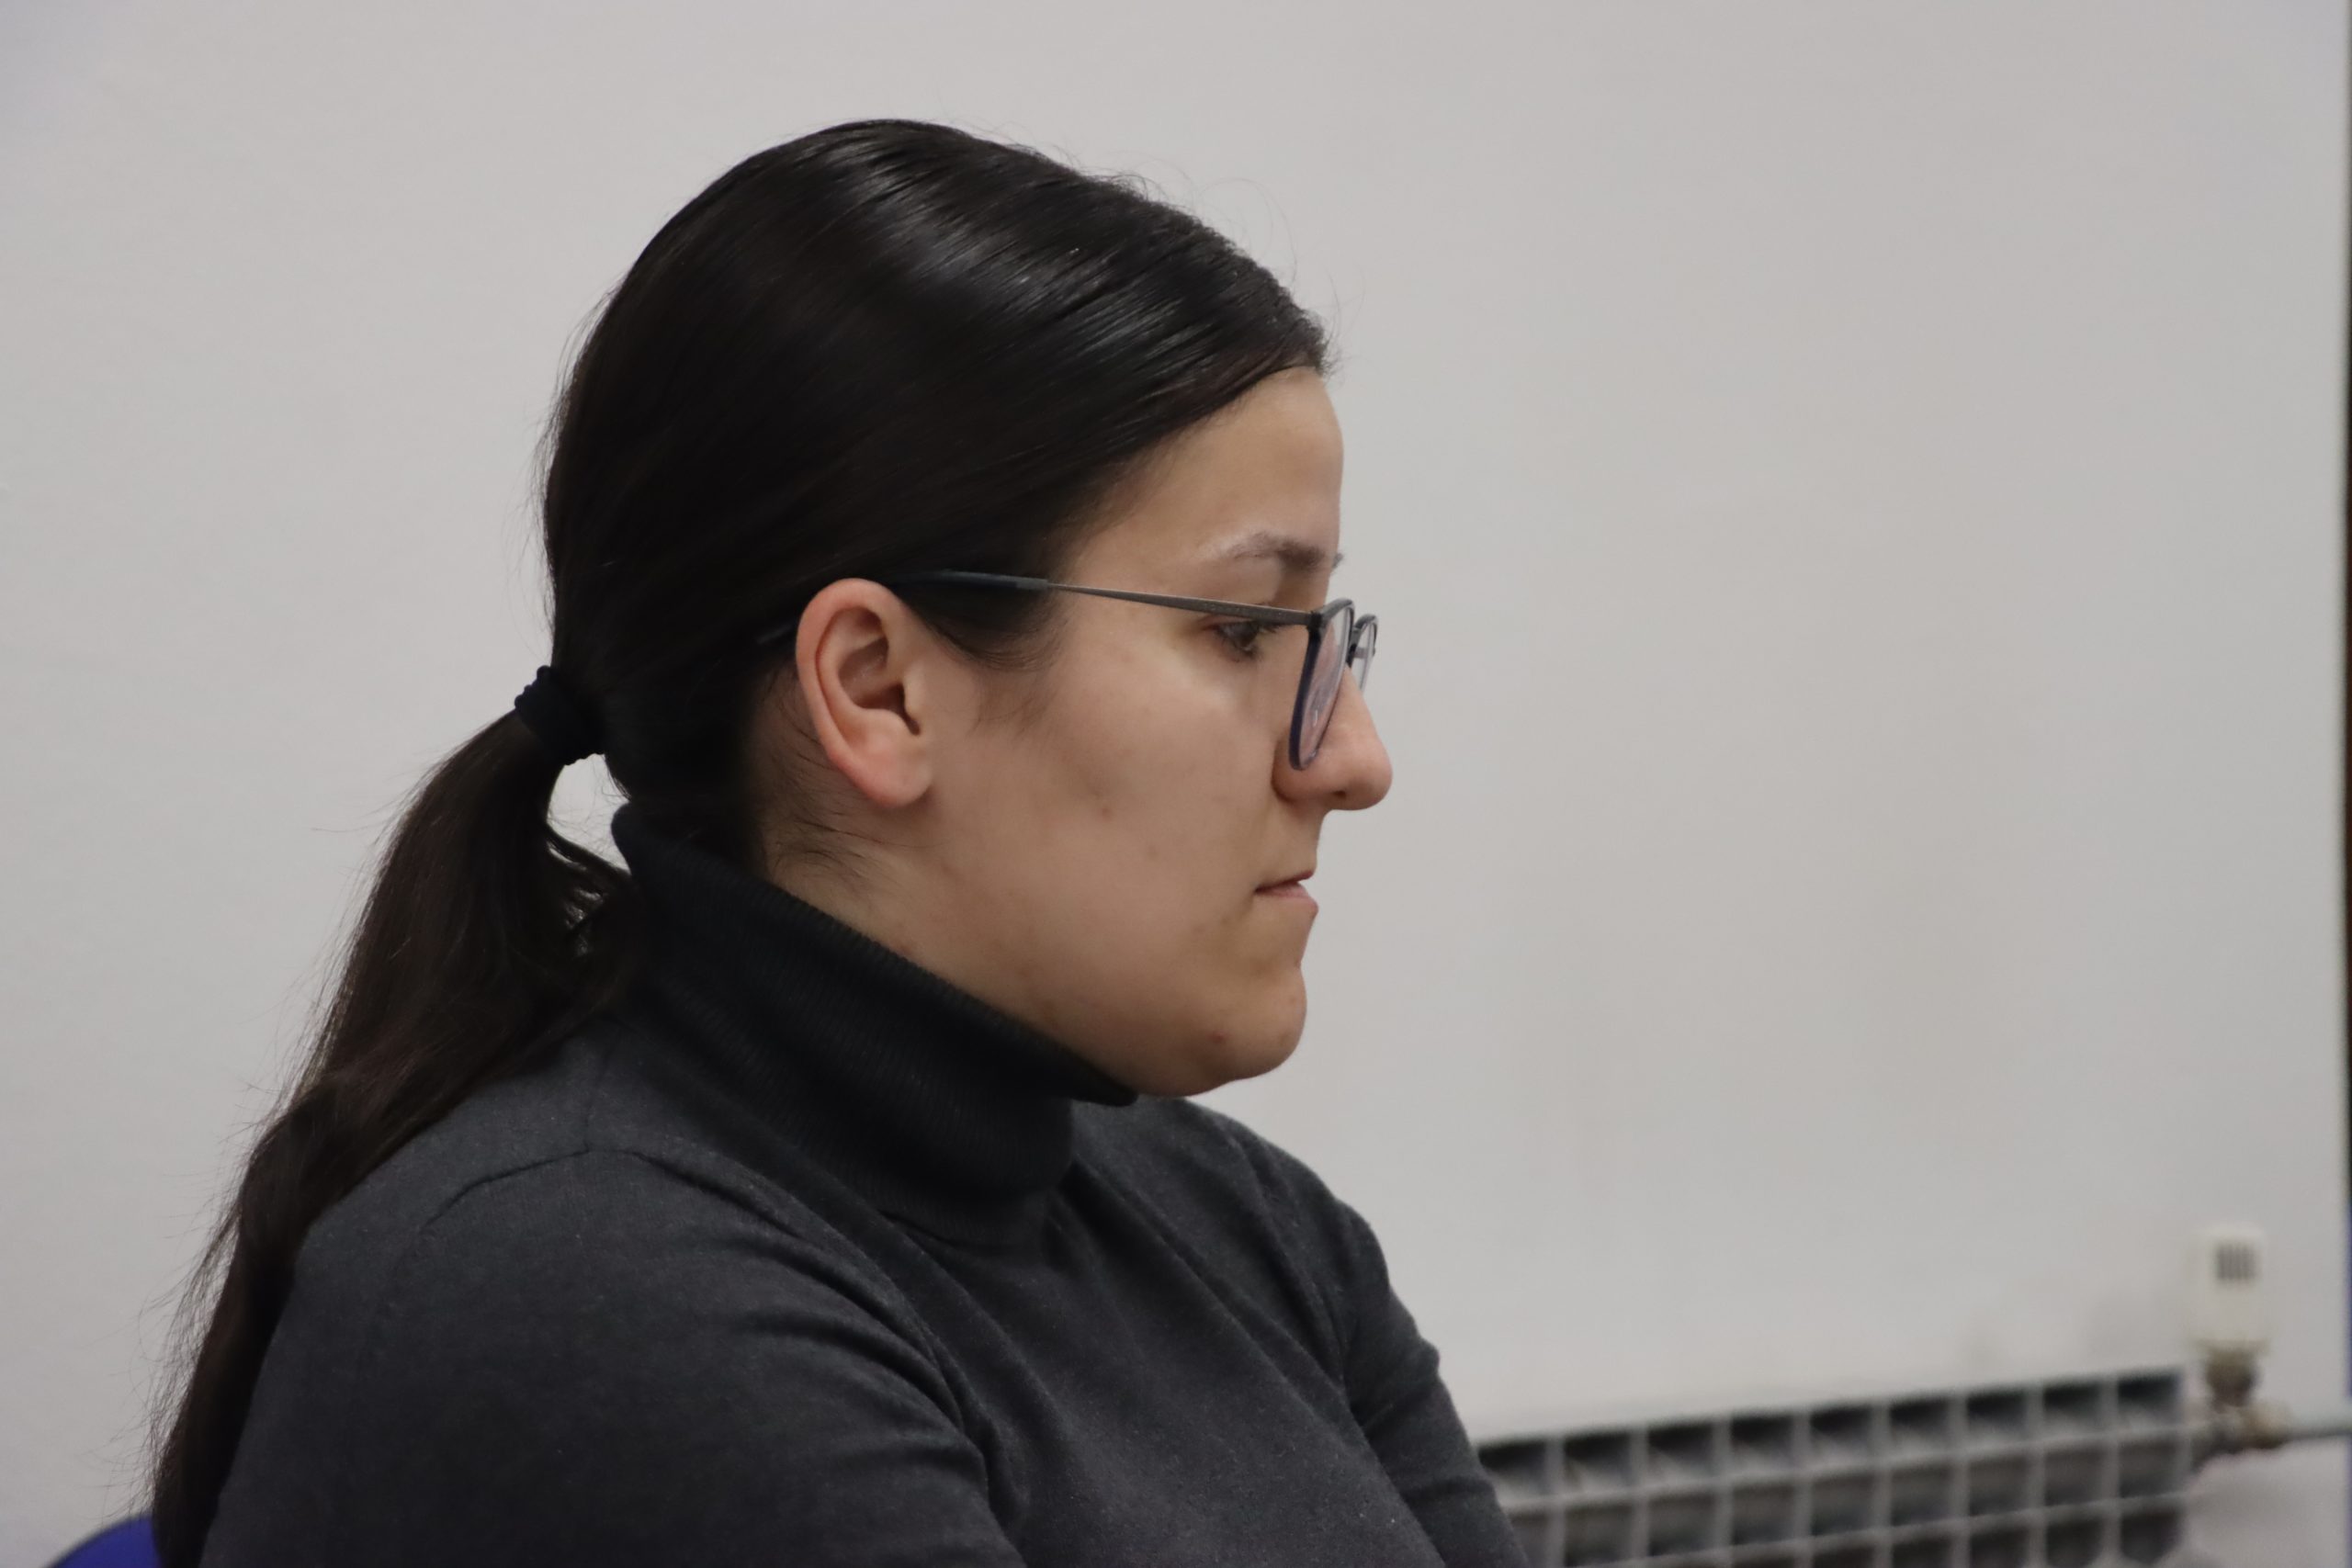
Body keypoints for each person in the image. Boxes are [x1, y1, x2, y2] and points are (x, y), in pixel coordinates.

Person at [149, 118, 1520, 1567]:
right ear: (878, 688)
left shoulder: (1247, 1226)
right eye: (1244, 629)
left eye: (1322, 633)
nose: (1351, 759)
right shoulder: (594, 1296)